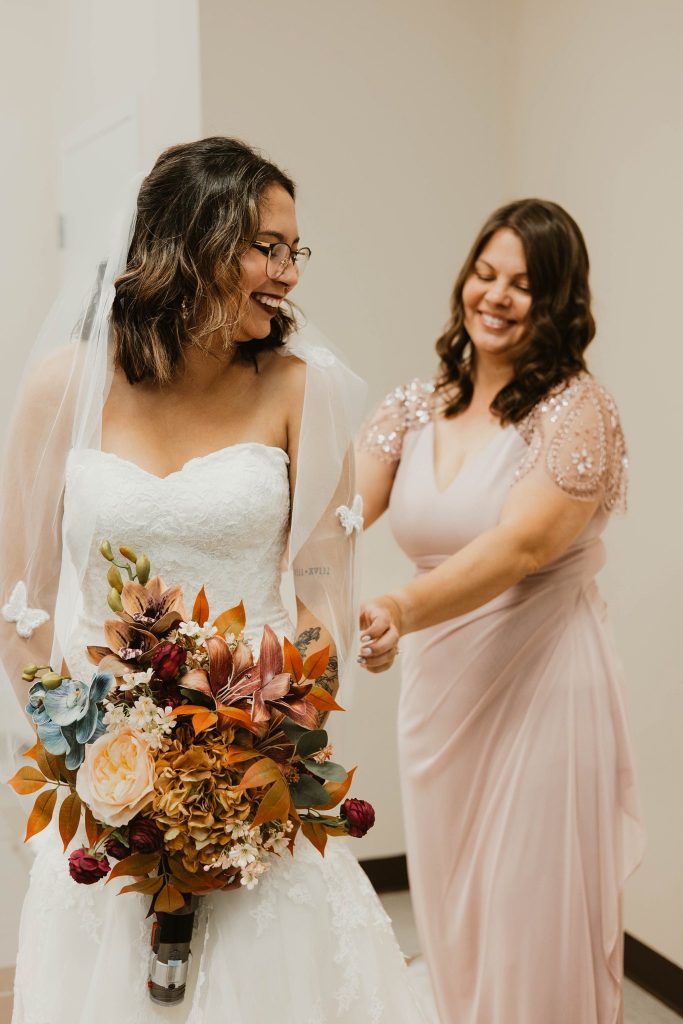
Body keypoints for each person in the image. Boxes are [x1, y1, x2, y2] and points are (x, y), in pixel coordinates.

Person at [1, 137, 429, 1024]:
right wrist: (83, 755)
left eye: (293, 251)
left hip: (255, 777)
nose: (288, 274)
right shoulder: (62, 387)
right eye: (266, 248)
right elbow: (21, 601)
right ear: (191, 242)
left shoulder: (299, 391)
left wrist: (264, 747)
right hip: (104, 782)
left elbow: (318, 593)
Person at [355, 199, 644, 1024]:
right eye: (485, 273)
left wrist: (402, 606)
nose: (496, 295)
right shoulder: (413, 406)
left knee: (527, 910)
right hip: (440, 697)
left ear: (557, 302)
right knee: (452, 906)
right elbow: (330, 510)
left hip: (542, 690)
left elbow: (520, 548)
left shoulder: (576, 408)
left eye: (523, 284)